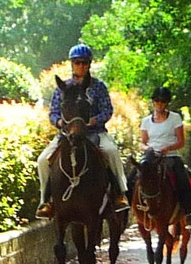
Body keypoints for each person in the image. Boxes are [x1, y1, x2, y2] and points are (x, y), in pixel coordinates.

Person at [35, 43, 130, 219]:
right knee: (42, 160)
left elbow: (107, 110)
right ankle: (45, 202)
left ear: (89, 64)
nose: (81, 66)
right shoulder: (62, 88)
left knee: (111, 151)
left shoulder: (98, 86)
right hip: (68, 133)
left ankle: (120, 194)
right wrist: (59, 121)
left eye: (84, 62)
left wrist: (95, 120)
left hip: (95, 132)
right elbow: (53, 112)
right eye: (77, 62)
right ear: (72, 64)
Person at [139, 86, 191, 229]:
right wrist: (147, 148)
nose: (160, 104)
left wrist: (168, 148)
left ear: (167, 103)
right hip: (152, 156)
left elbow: (181, 142)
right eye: (157, 101)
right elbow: (142, 142)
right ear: (153, 102)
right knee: (135, 175)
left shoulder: (175, 118)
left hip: (170, 156)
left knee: (182, 178)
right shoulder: (146, 121)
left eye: (163, 101)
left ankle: (188, 213)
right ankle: (129, 204)